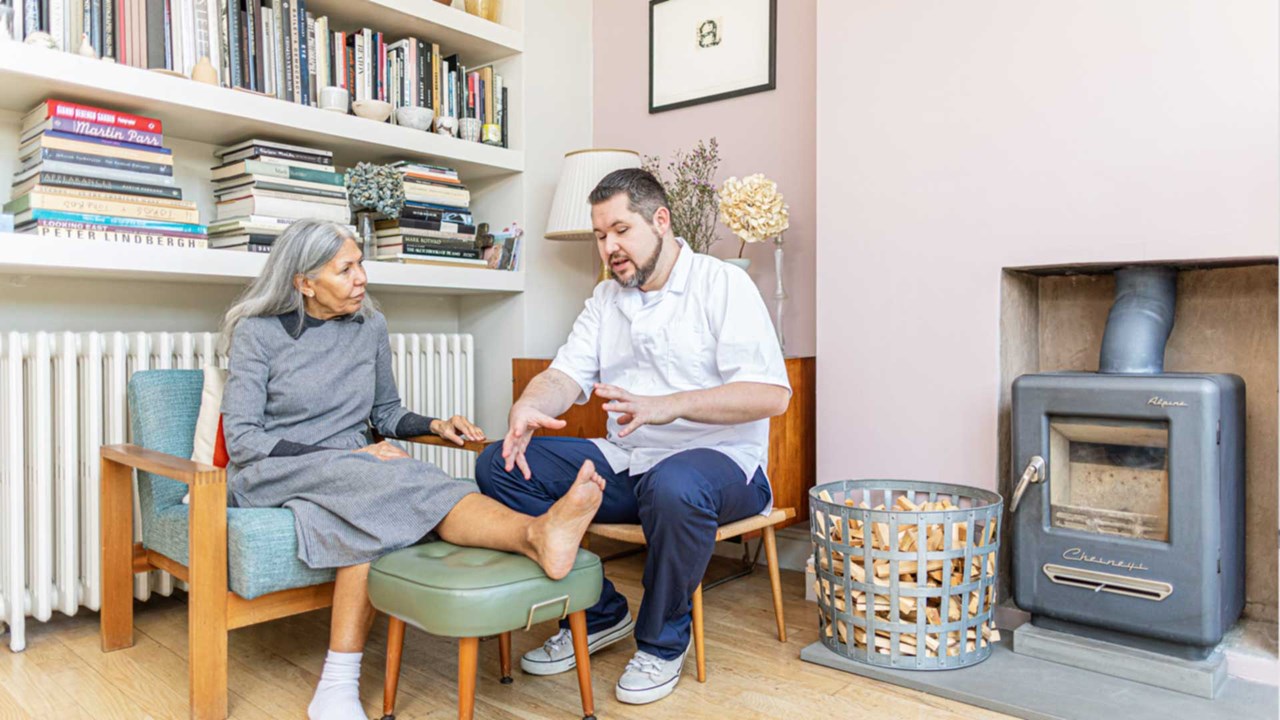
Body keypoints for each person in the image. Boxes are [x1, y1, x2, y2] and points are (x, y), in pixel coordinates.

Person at [219, 219, 606, 720]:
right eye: (346, 269)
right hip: (275, 467)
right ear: (303, 282)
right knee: (393, 476)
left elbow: (384, 413)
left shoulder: (369, 325)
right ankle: (534, 534)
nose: (362, 277)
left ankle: (336, 686)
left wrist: (435, 424)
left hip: (355, 473)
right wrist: (349, 457)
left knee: (369, 506)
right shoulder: (260, 333)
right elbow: (246, 439)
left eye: (361, 263)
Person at [476, 168, 791, 705]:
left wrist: (668, 407)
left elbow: (771, 395)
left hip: (722, 464)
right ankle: (599, 611)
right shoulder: (605, 298)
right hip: (628, 461)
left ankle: (662, 644)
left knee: (674, 484)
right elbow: (564, 376)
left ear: (660, 220)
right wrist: (529, 405)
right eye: (601, 235)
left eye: (620, 230)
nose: (609, 247)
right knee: (500, 463)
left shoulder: (722, 283)